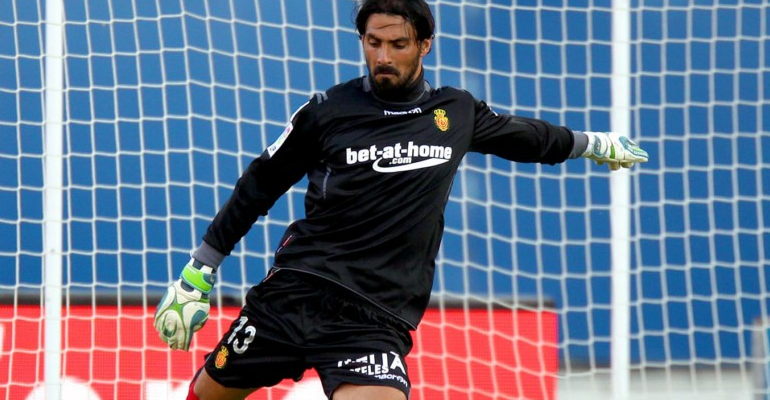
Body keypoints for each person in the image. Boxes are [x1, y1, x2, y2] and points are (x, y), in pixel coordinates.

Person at [153, 0, 649, 399]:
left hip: (372, 317)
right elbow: (257, 186)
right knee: (205, 394)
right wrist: (199, 272)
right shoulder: (328, 111)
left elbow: (528, 138)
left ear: (425, 44)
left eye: (397, 44)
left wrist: (592, 144)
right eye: (373, 43)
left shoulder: (454, 111)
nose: (383, 57)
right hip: (296, 293)